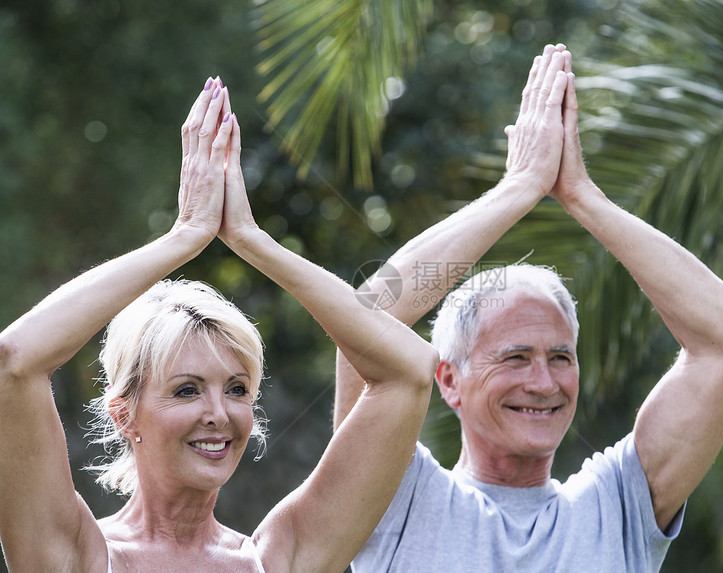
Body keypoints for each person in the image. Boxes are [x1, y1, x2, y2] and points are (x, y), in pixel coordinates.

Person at [335, 44, 723, 571]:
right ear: (448, 379)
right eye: (515, 357)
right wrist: (517, 190)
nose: (544, 382)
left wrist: (582, 195)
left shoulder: (620, 506)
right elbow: (368, 310)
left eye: (560, 357)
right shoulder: (393, 499)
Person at [0, 77, 439, 572]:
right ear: (124, 414)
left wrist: (252, 239)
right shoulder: (77, 556)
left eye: (236, 389)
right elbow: (14, 360)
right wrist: (184, 236)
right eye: (187, 390)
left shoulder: (276, 558)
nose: (219, 413)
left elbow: (410, 370)